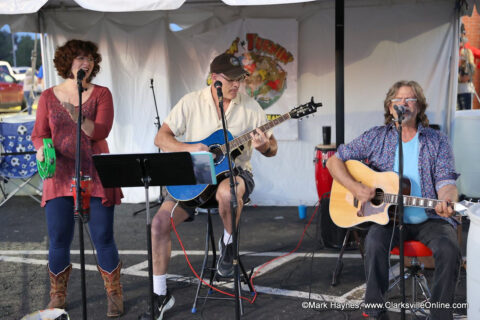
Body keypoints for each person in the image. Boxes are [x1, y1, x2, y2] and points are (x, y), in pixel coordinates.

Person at [140, 53, 278, 319]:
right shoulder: (191, 102)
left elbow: (273, 148)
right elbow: (161, 138)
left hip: (235, 175)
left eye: (241, 79)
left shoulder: (250, 107)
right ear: (215, 78)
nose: (237, 84)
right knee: (158, 224)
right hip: (196, 175)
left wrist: (265, 146)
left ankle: (228, 245)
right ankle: (160, 295)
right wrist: (189, 147)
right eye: (231, 79)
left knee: (228, 192)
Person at [326, 80, 461, 320]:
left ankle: (440, 314)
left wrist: (447, 200)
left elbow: (446, 181)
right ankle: (375, 311)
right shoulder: (376, 137)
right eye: (398, 100)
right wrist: (356, 187)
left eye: (410, 99)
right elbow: (334, 160)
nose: (404, 104)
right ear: (390, 108)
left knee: (450, 250)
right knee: (374, 244)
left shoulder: (437, 140)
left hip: (429, 218)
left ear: (419, 107)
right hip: (388, 218)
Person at [31, 39, 124, 318]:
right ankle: (57, 296)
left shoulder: (102, 94)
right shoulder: (48, 96)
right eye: (80, 58)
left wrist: (77, 115)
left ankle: (114, 295)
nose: (87, 63)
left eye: (91, 59)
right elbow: (39, 133)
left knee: (103, 236)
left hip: (95, 173)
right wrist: (40, 150)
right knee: (59, 237)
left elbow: (101, 131)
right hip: (59, 175)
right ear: (68, 63)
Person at [458, 24, 477, 110]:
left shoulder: (470, 66)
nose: (461, 57)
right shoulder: (461, 66)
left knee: (466, 109)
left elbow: (464, 78)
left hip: (467, 90)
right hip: (460, 90)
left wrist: (458, 77)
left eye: (462, 56)